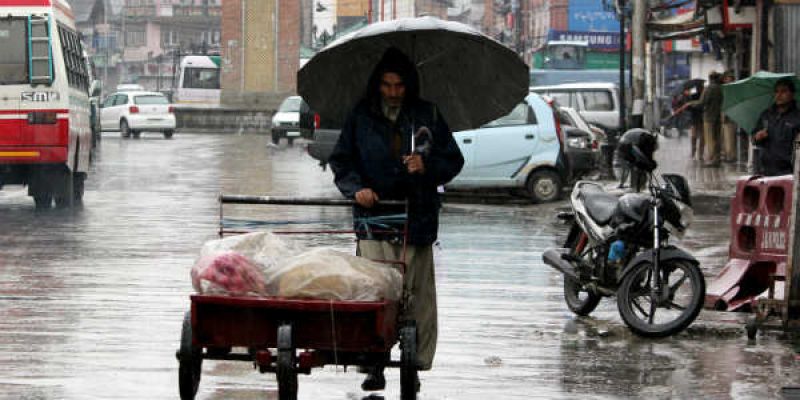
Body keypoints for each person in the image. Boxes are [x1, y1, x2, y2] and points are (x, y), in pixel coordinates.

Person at [328, 47, 465, 391]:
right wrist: (356, 189)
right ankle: (373, 364)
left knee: (414, 297)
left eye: (399, 86)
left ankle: (413, 365)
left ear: (408, 86)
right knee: (374, 294)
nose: (392, 92)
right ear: (378, 85)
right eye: (387, 85)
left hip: (416, 221)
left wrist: (427, 167)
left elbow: (454, 161)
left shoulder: (428, 116)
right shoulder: (360, 117)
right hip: (374, 221)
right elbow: (341, 162)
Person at [752, 77, 800, 176]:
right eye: (776, 91)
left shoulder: (797, 117)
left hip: (788, 173)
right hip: (765, 172)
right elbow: (754, 139)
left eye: (783, 91)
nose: (779, 95)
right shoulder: (766, 114)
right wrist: (757, 136)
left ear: (792, 94)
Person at [720, 71, 737, 162]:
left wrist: (726, 114)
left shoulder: (732, 89)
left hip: (730, 116)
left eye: (728, 79)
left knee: (730, 137)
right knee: (725, 137)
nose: (726, 80)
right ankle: (727, 155)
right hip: (725, 116)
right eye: (726, 79)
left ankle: (731, 156)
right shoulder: (726, 89)